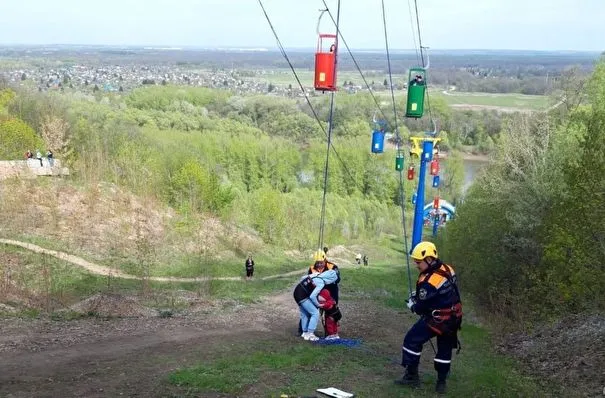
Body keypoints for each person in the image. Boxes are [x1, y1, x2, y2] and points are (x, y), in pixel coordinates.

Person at [395, 241, 462, 394]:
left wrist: (413, 305)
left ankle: (411, 377)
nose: (416, 265)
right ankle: (441, 383)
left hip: (437, 320)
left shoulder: (428, 281)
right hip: (454, 317)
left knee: (411, 340)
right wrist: (421, 297)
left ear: (429, 259)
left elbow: (420, 308)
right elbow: (446, 292)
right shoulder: (447, 269)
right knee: (444, 349)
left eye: (418, 262)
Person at [293, 260, 339, 342]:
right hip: (303, 296)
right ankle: (310, 333)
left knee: (305, 313)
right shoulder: (321, 282)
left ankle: (304, 332)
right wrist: (318, 304)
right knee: (315, 313)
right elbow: (312, 296)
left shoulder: (317, 274)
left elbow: (303, 278)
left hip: (296, 292)